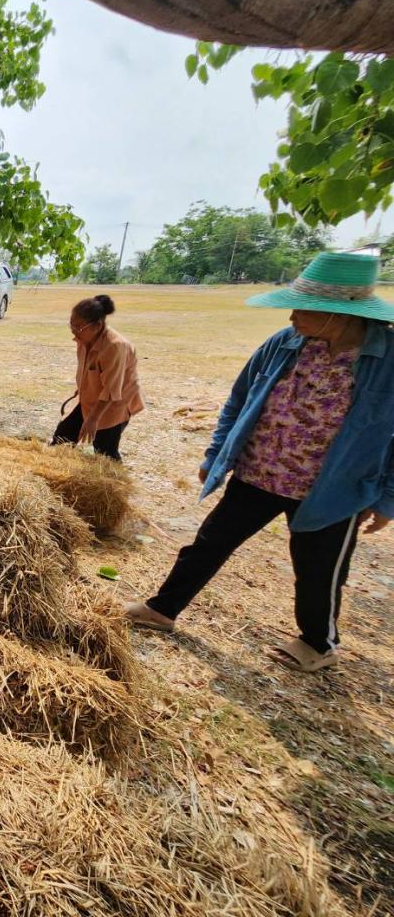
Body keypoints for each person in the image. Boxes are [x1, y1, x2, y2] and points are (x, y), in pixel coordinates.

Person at [125, 252, 394, 673]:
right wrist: (216, 454)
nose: (291, 316)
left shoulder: (387, 359)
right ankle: (162, 608)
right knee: (209, 544)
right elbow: (239, 399)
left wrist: (387, 498)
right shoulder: (283, 345)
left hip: (330, 490)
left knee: (319, 570)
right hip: (258, 472)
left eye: (302, 308)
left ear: (337, 313)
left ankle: (318, 643)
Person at [51, 294, 143, 461]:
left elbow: (112, 390)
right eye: (71, 325)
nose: (73, 331)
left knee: (104, 450)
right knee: (63, 436)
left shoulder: (115, 347)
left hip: (114, 404)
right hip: (91, 399)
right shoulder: (84, 339)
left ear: (97, 325)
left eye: (78, 327)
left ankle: (115, 483)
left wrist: (93, 420)